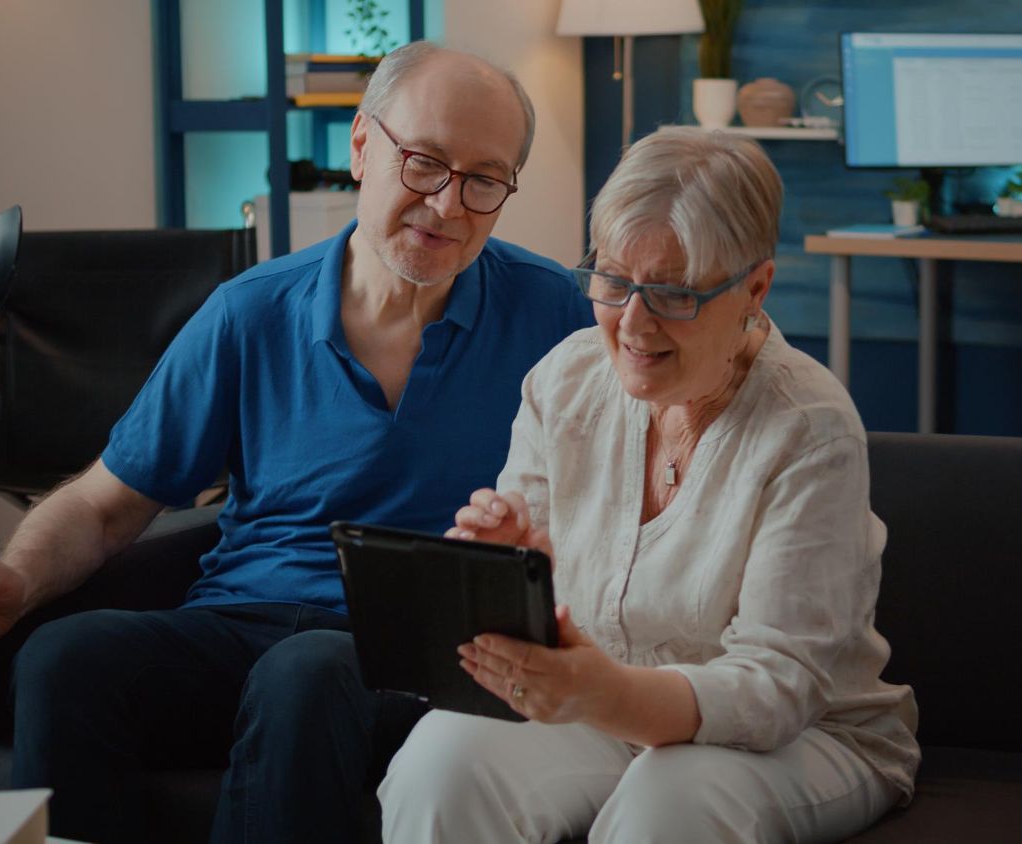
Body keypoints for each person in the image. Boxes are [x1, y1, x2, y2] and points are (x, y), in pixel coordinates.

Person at [0, 41, 592, 843]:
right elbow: (104, 505)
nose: (447, 205)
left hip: (420, 658)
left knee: (304, 674)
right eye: (424, 162)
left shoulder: (553, 314)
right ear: (363, 146)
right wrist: (15, 578)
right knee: (66, 658)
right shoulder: (249, 313)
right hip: (239, 625)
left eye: (483, 180)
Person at [378, 126, 921, 843]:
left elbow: (778, 689)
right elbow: (544, 626)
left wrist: (612, 694)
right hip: (603, 707)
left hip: (807, 736)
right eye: (612, 279)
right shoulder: (564, 381)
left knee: (673, 802)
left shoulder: (809, 429)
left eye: (671, 293)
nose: (632, 324)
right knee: (439, 762)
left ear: (754, 287)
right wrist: (511, 574)